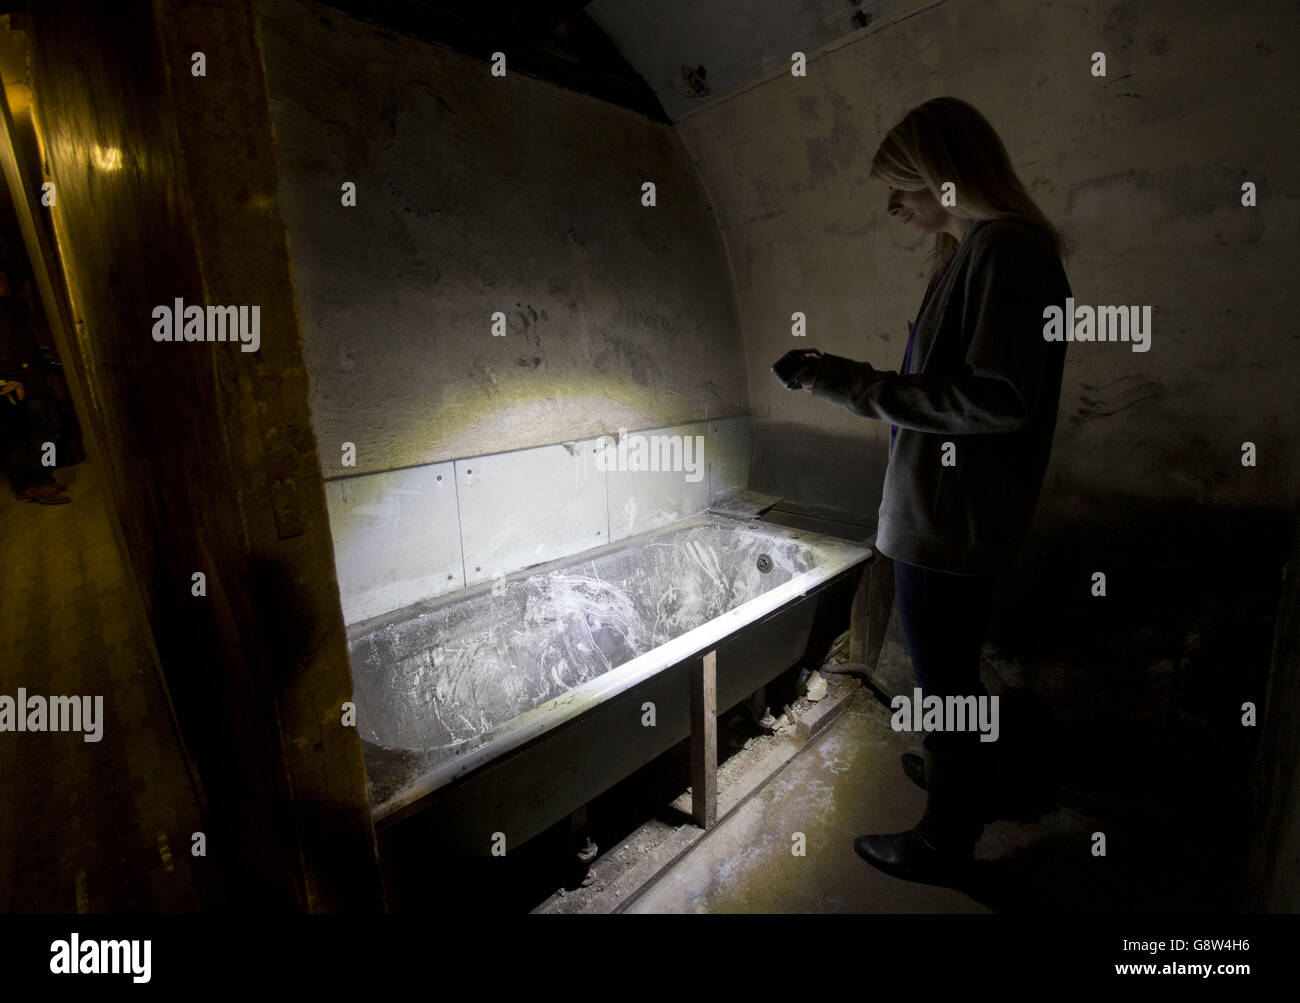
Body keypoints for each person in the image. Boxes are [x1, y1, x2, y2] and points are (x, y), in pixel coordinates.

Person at [785, 97, 1071, 886]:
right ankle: (972, 778)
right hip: (946, 515)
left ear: (944, 176)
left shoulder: (1007, 252)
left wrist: (852, 384)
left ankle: (946, 837)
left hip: (950, 523)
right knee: (951, 673)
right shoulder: (977, 251)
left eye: (900, 186)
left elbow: (996, 397)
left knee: (943, 681)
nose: (891, 206)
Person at [0, 269, 68, 504]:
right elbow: (7, 344)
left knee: (17, 436)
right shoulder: (5, 311)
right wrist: (14, 376)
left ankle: (25, 484)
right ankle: (42, 480)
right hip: (24, 379)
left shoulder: (9, 311)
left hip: (13, 380)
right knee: (47, 431)